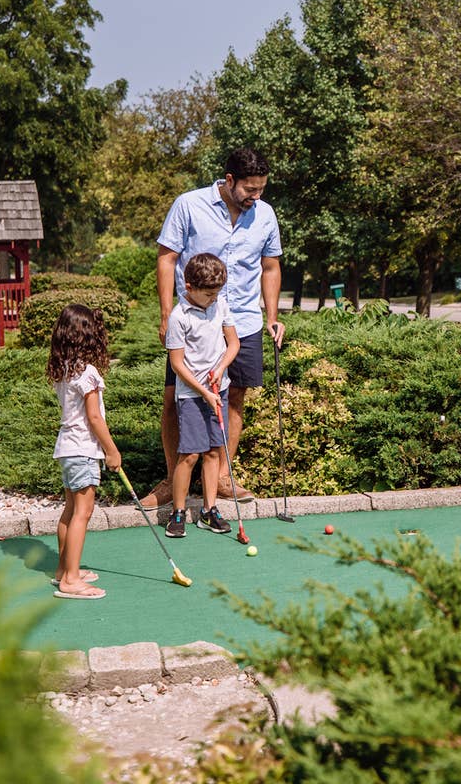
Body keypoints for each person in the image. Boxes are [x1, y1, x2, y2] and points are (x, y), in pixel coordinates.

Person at [140, 147, 285, 510]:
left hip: (244, 320)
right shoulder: (189, 205)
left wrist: (272, 316)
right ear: (230, 180)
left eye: (261, 189)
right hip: (194, 322)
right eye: (250, 189)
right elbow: (166, 257)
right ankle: (174, 477)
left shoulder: (265, 215)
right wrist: (163, 313)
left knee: (234, 396)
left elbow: (270, 267)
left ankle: (220, 477)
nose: (256, 197)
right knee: (175, 399)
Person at [46, 304, 121, 599]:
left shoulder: (63, 368)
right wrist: (112, 451)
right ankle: (72, 581)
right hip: (83, 449)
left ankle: (63, 571)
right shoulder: (87, 372)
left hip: (67, 448)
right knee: (83, 513)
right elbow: (94, 418)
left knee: (70, 511)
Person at [164, 253, 241, 538]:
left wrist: (221, 369)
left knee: (212, 452)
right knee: (189, 454)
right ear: (189, 287)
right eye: (208, 294)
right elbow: (177, 364)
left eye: (216, 293)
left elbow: (232, 343)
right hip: (192, 395)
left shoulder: (220, 304)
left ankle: (209, 511)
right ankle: (178, 511)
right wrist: (203, 392)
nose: (212, 298)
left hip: (217, 389)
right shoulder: (178, 317)